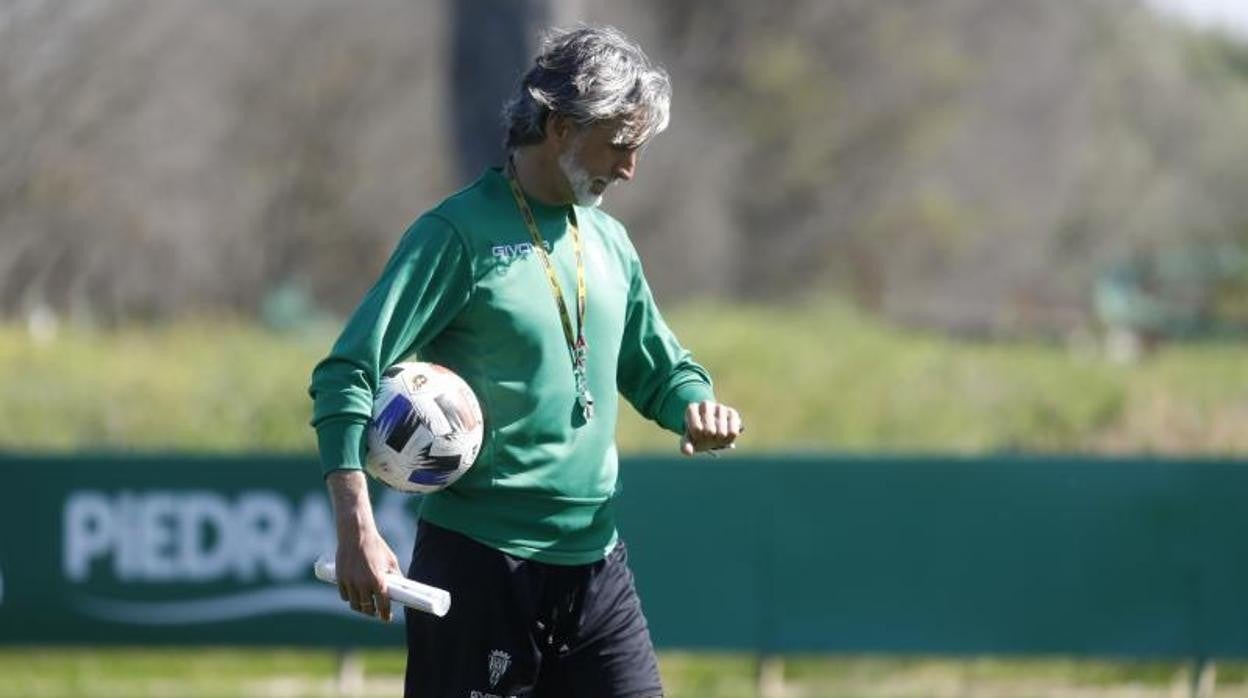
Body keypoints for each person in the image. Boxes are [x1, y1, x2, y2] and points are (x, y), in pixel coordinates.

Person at [309, 24, 742, 698]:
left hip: (597, 567)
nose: (630, 169)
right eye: (621, 146)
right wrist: (355, 529)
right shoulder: (456, 235)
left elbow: (659, 367)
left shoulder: (610, 242)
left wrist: (694, 405)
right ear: (562, 125)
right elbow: (348, 372)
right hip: (479, 567)